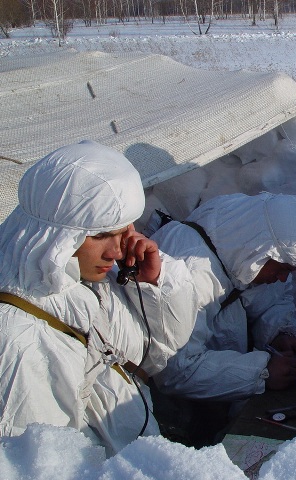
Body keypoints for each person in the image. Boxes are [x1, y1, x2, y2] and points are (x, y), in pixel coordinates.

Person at [0, 141, 198, 455]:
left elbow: (156, 355)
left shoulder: (85, 279)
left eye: (124, 231)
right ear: (57, 234)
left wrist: (154, 284)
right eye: (102, 234)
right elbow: (47, 463)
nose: (119, 251)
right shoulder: (20, 339)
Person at [149, 192, 296, 445]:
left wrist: (280, 331)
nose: (284, 277)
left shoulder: (243, 241)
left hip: (217, 397)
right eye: (283, 269)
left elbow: (266, 297)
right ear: (260, 251)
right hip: (178, 412)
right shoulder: (186, 273)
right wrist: (262, 372)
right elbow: (175, 371)